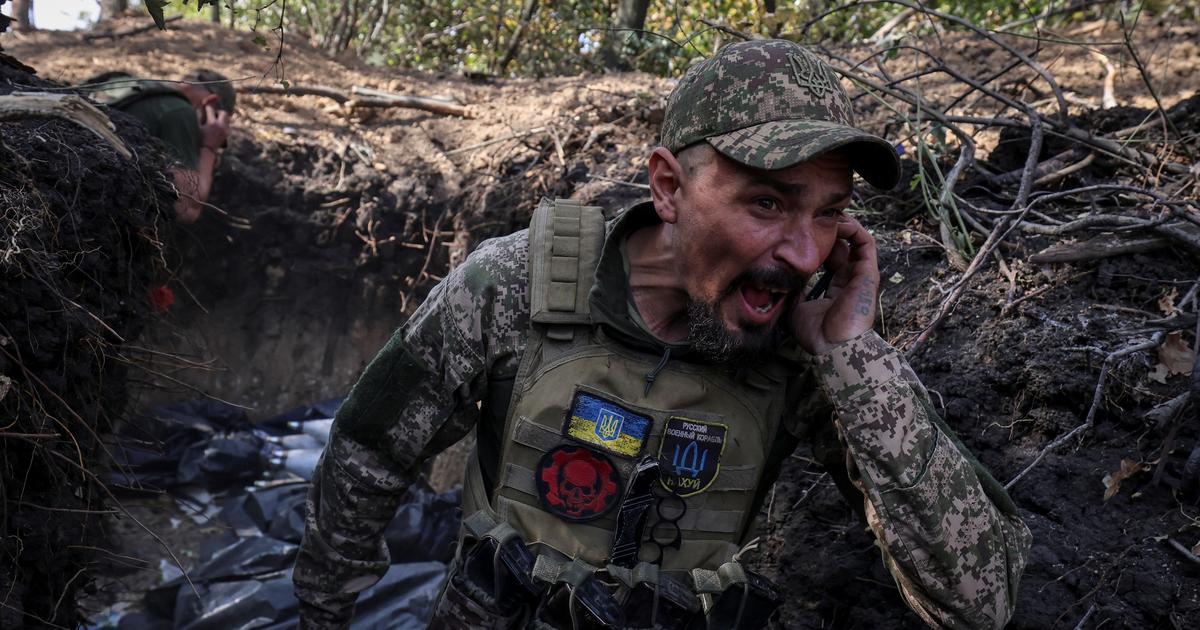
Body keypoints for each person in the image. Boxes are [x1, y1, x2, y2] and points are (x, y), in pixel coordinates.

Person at [294, 39, 1032, 629]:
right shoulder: (513, 287)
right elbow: (370, 452)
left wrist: (854, 363)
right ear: (669, 187)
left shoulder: (812, 352)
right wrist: (325, 612)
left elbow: (980, 603)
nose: (806, 254)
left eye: (829, 211)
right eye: (768, 203)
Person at [82, 69, 234, 223]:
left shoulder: (126, 85)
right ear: (211, 102)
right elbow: (185, 209)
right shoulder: (180, 111)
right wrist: (209, 147)